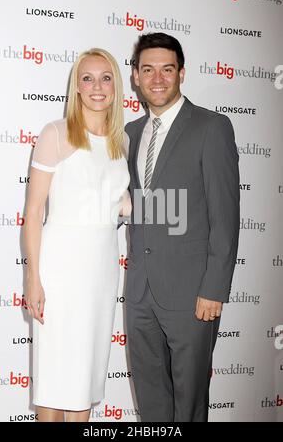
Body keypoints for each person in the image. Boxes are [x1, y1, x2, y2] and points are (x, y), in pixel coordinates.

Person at [125, 32, 240, 422]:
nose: (157, 79)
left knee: (189, 405)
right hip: (140, 293)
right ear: (136, 77)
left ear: (182, 74)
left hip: (194, 296)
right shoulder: (129, 134)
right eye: (148, 70)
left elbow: (226, 217)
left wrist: (214, 289)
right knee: (152, 403)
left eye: (167, 69)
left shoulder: (212, 127)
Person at [24, 48, 130, 422]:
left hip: (102, 270)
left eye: (106, 77)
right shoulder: (55, 133)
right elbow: (34, 212)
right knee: (55, 380)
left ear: (116, 86)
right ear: (77, 87)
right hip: (62, 270)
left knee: (84, 378)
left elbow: (121, 203)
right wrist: (32, 278)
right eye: (88, 78)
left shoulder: (123, 143)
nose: (97, 86)